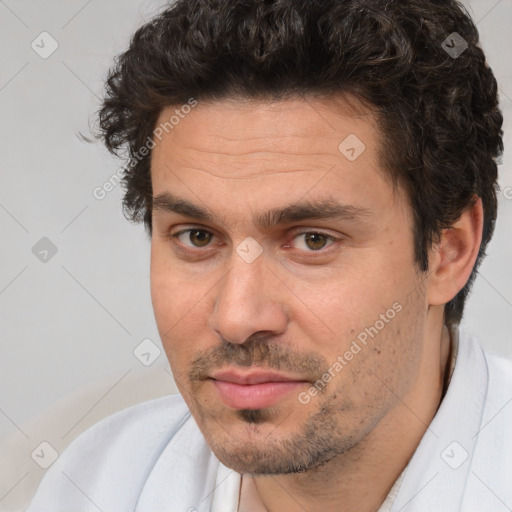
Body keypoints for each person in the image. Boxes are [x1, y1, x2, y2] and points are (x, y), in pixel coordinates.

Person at [27, 0, 510, 511]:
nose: (237, 319)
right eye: (196, 236)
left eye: (312, 241)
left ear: (447, 252)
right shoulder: (97, 482)